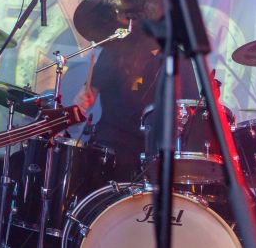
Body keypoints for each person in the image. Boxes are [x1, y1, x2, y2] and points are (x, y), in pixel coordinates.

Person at [75, 31, 199, 182]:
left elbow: (191, 107)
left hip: (156, 151)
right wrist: (84, 99)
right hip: (114, 142)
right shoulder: (116, 50)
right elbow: (89, 92)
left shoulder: (180, 59)